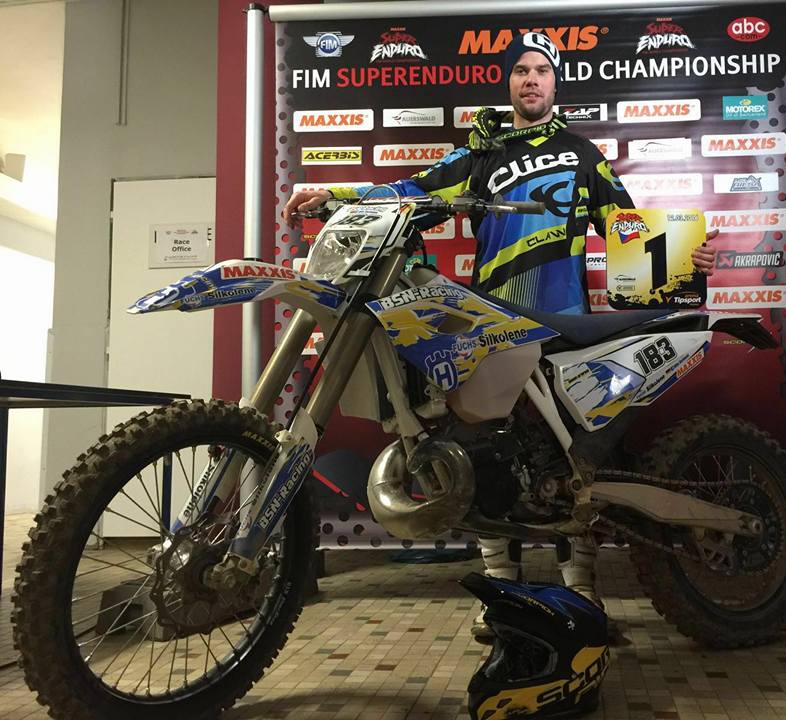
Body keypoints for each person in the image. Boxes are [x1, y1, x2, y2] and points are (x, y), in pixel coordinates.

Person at [283, 32, 717, 636]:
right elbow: (411, 190)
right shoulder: (481, 153)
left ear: (555, 81)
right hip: (489, 322)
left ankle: (582, 593)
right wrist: (333, 194)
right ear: (509, 81)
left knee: (573, 460)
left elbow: (627, 228)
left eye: (541, 70)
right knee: (483, 454)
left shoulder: (582, 154)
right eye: (521, 71)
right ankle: (500, 595)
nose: (531, 79)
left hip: (566, 324)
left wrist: (686, 257)